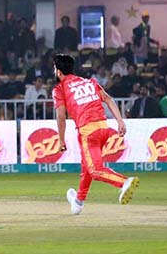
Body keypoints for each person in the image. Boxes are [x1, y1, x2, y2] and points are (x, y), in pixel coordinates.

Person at [52, 54, 139, 215]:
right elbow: (108, 99)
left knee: (95, 170)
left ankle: (124, 182)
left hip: (87, 131)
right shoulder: (89, 82)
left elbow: (61, 116)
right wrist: (120, 121)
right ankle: (78, 202)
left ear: (58, 72)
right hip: (104, 129)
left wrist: (61, 140)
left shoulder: (59, 89)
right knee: (86, 167)